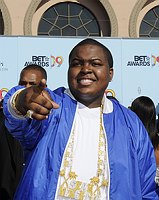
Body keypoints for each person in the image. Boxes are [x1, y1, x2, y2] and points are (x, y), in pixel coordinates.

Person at [3, 38, 159, 199]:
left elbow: (146, 189)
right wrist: (20, 101)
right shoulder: (51, 107)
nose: (86, 69)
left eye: (95, 63)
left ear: (110, 73)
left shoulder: (130, 124)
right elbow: (18, 122)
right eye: (77, 63)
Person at [0, 64, 47, 200]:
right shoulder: (4, 118)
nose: (26, 89)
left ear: (43, 87)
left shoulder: (52, 120)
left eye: (32, 84)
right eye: (22, 83)